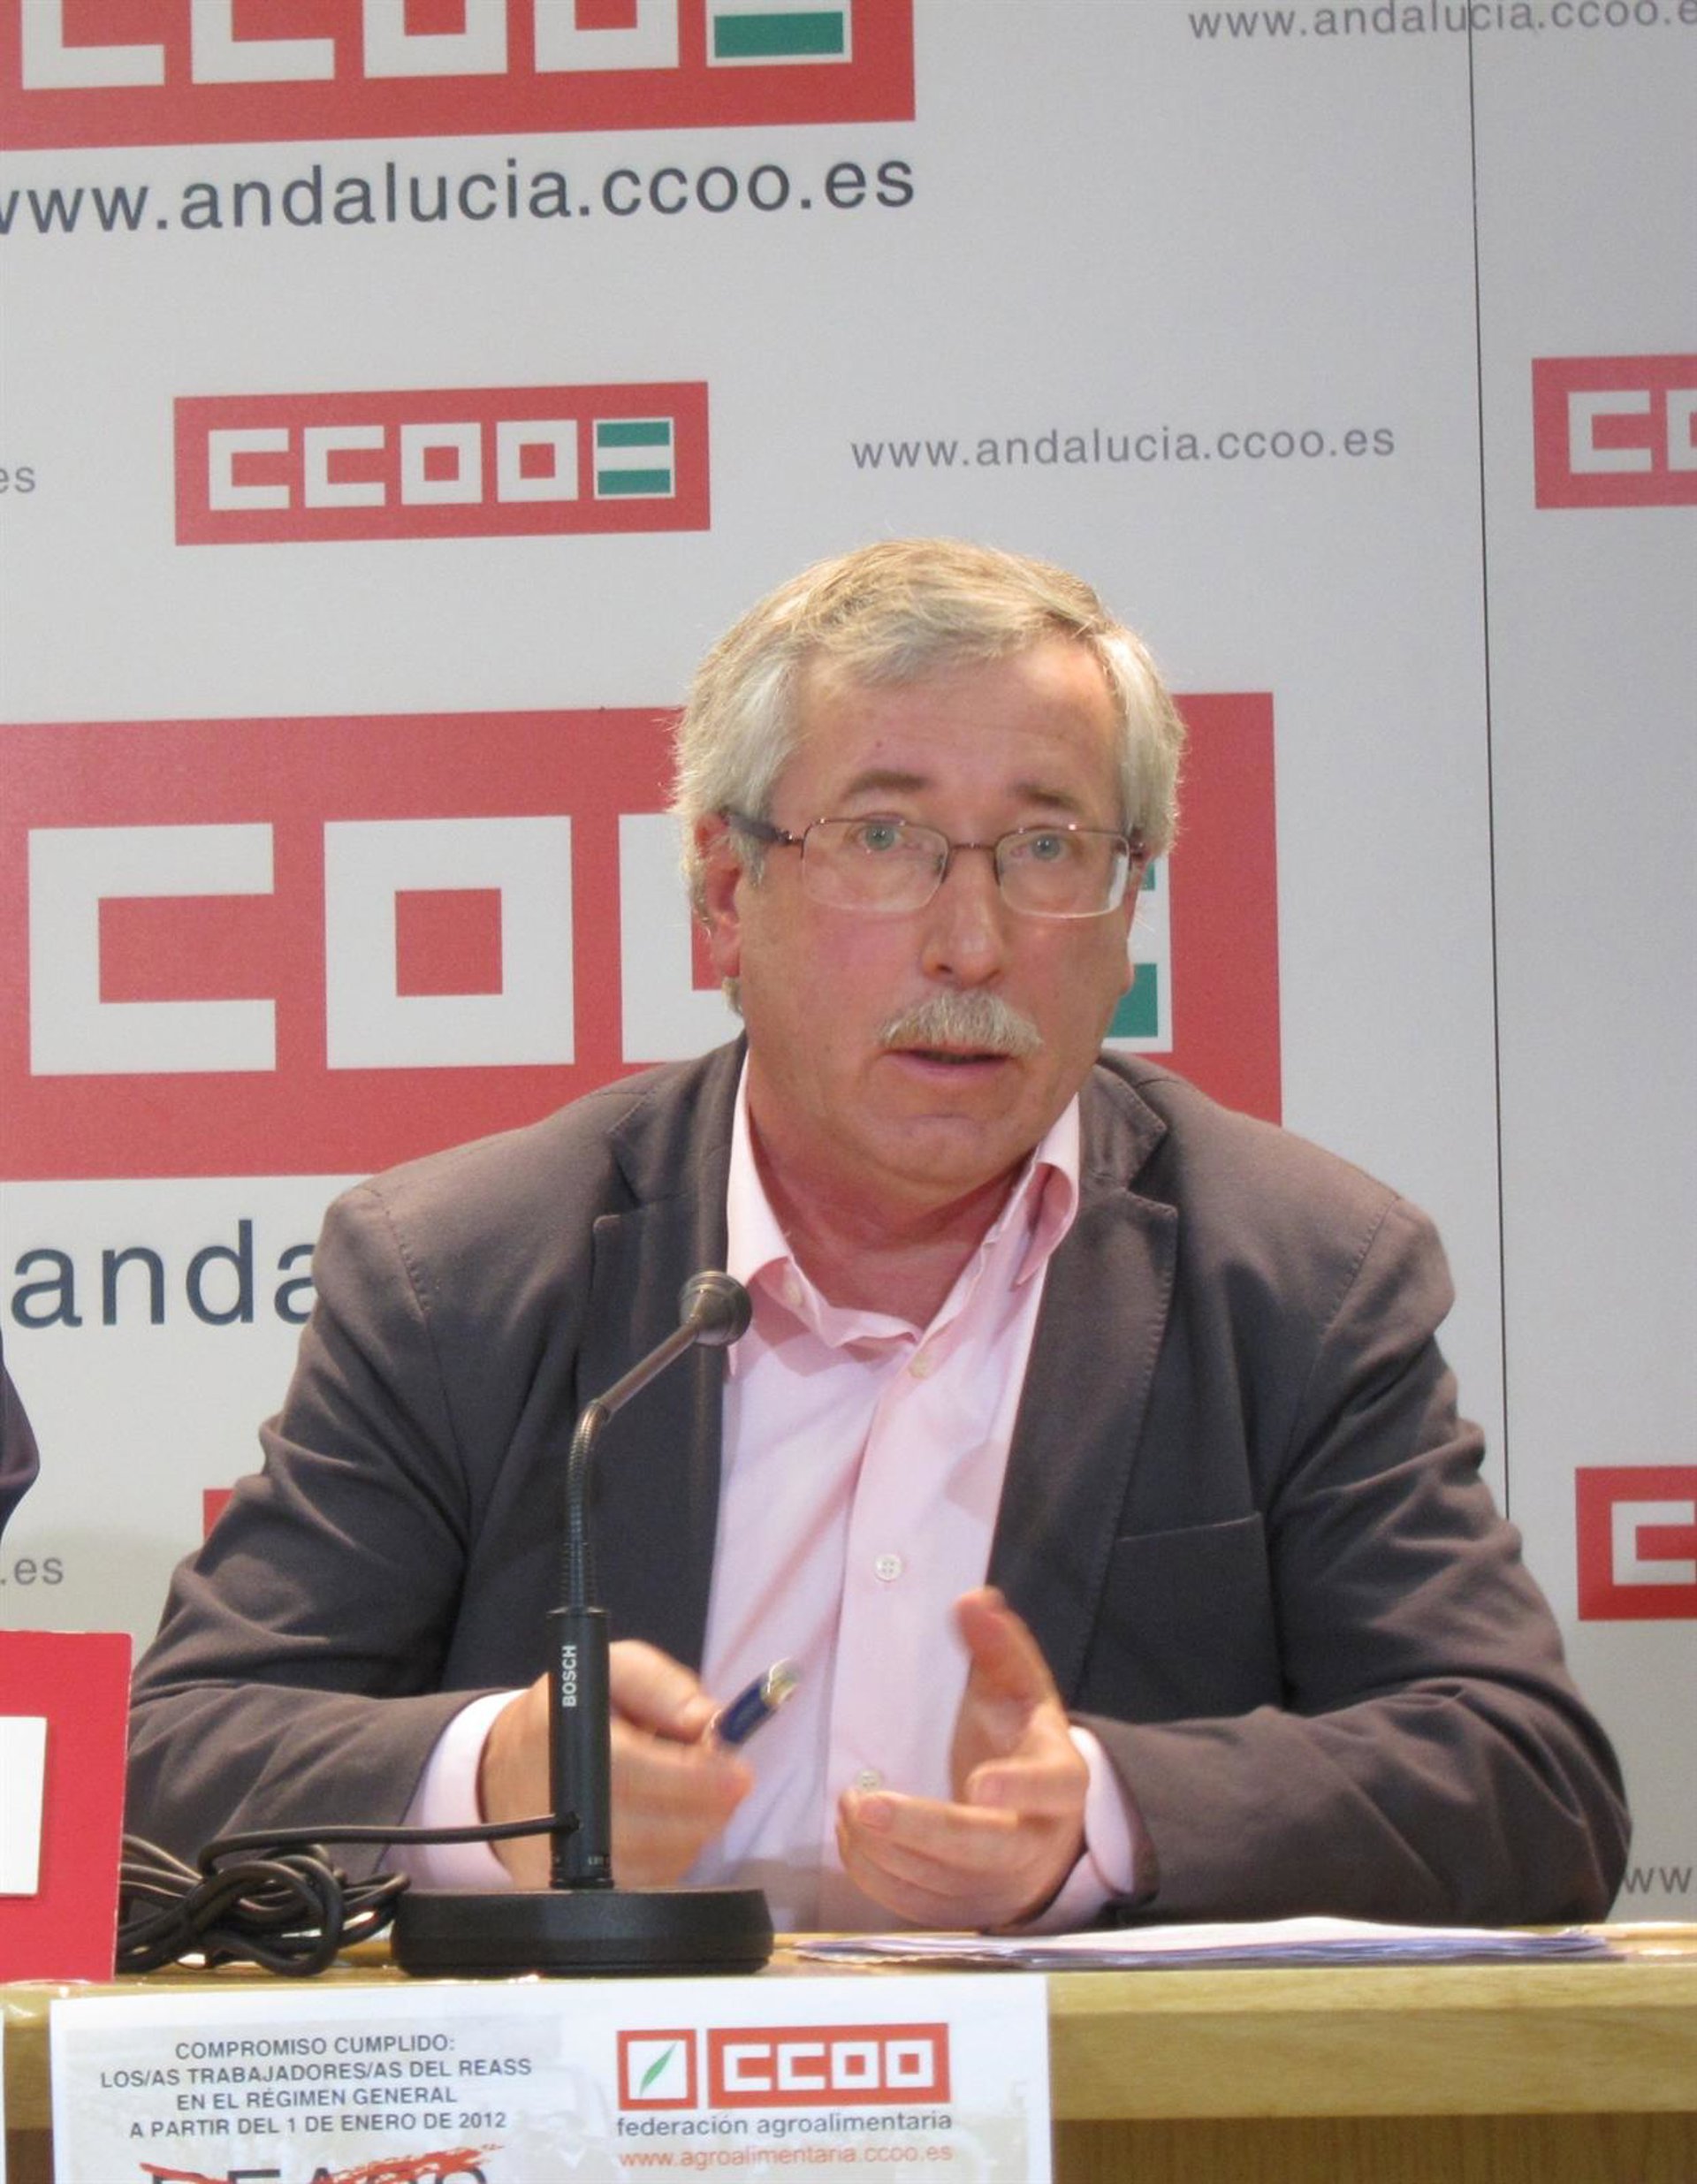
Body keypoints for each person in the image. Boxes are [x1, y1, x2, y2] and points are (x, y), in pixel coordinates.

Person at [126, 539, 1628, 1932]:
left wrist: (1104, 1816)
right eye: (885, 837)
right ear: (728, 894)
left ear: (1126, 909)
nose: (971, 945)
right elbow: (173, 1761)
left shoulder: (1298, 1275)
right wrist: (491, 1782)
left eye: (1047, 848)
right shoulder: (462, 1271)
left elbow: (1529, 1781)